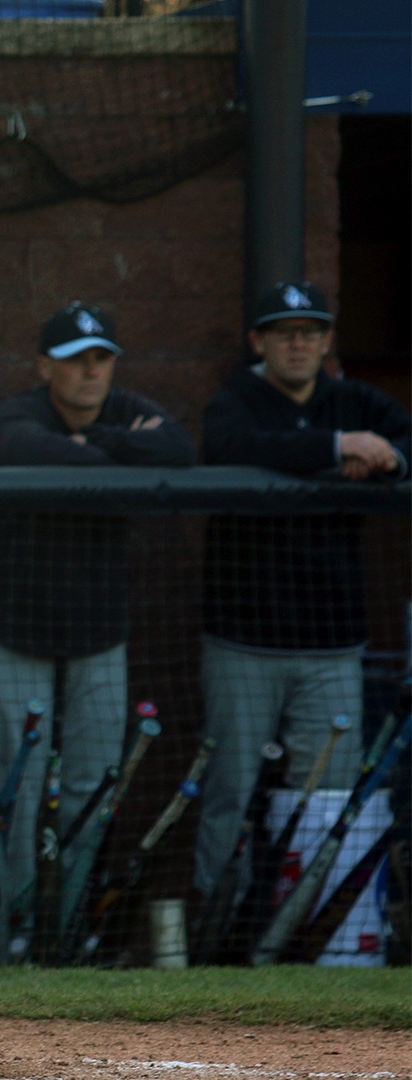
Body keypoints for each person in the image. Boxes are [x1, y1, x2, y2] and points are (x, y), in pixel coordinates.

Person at [0, 302, 195, 963]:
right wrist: (117, 452)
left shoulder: (125, 409)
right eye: (74, 360)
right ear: (46, 367)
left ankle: (61, 936)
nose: (90, 371)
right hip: (16, 632)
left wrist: (95, 448)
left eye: (100, 358)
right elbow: (21, 446)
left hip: (100, 636)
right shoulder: (23, 410)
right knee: (13, 793)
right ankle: (4, 939)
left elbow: (178, 448)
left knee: (95, 792)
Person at [191, 281, 411, 909]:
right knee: (230, 791)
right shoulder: (237, 400)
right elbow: (229, 445)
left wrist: (390, 458)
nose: (298, 344)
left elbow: (405, 441)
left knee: (331, 797)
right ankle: (218, 932)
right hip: (243, 643)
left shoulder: (354, 399)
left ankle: (317, 937)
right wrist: (338, 447)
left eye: (310, 332)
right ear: (260, 341)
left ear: (326, 340)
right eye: (284, 332)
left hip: (332, 645)